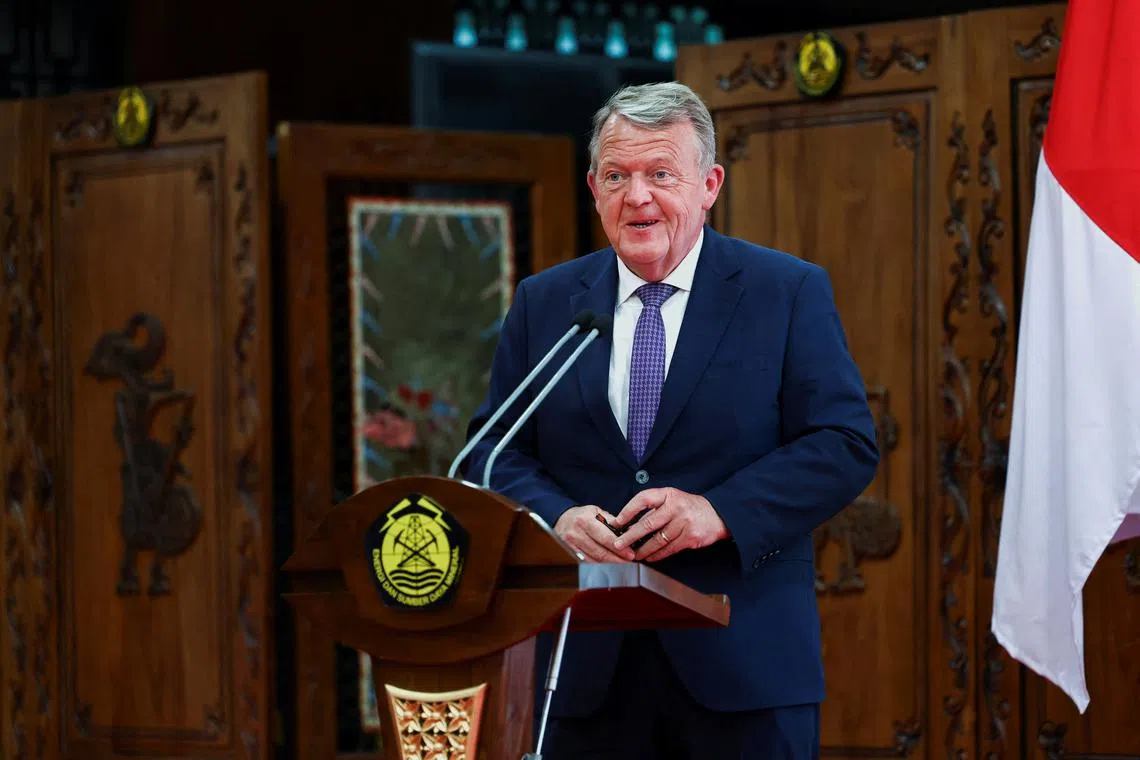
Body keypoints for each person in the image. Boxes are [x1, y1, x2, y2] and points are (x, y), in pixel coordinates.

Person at [462, 81, 879, 759]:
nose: (638, 197)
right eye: (617, 176)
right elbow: (491, 451)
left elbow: (844, 442)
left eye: (660, 174)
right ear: (593, 188)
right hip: (583, 666)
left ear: (709, 184)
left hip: (742, 663)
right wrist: (556, 519)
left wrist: (718, 511)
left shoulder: (785, 291)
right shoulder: (547, 302)